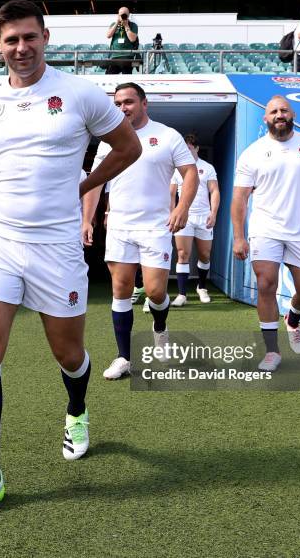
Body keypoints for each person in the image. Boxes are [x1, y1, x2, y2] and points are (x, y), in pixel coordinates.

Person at [0, 0, 141, 523]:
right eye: (10, 40)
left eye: (29, 37)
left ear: (45, 37)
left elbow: (127, 149)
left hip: (56, 246)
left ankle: (76, 410)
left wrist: (84, 184)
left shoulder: (79, 93)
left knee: (69, 353)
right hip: (0, 241)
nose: (21, 48)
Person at [82, 82, 198, 380]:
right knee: (120, 292)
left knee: (156, 291)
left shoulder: (168, 135)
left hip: (156, 226)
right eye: (118, 103)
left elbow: (190, 173)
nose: (123, 108)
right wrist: (87, 219)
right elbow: (96, 182)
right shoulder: (108, 141)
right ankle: (124, 357)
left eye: (129, 102)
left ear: (144, 103)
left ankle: (160, 329)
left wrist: (182, 207)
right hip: (119, 225)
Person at [231, 95, 300, 372]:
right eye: (273, 111)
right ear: (265, 118)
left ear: (292, 115)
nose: (279, 114)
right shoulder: (252, 153)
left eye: (284, 110)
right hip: (265, 229)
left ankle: (292, 320)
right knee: (266, 285)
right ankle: (272, 351)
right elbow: (240, 198)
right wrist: (239, 236)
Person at [170, 133, 220, 307]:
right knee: (183, 254)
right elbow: (171, 194)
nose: (187, 151)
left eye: (190, 148)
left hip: (204, 216)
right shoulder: (177, 169)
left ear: (197, 148)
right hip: (185, 216)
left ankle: (202, 287)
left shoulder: (208, 168)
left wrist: (213, 213)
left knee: (205, 255)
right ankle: (182, 294)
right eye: (184, 148)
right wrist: (172, 213)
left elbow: (214, 191)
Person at [105, 7, 139, 75]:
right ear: (118, 15)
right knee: (109, 76)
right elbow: (108, 35)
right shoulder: (113, 24)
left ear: (128, 15)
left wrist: (126, 26)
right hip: (115, 56)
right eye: (121, 15)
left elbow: (132, 39)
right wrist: (117, 23)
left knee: (126, 76)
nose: (123, 16)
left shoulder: (133, 25)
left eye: (125, 15)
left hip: (128, 56)